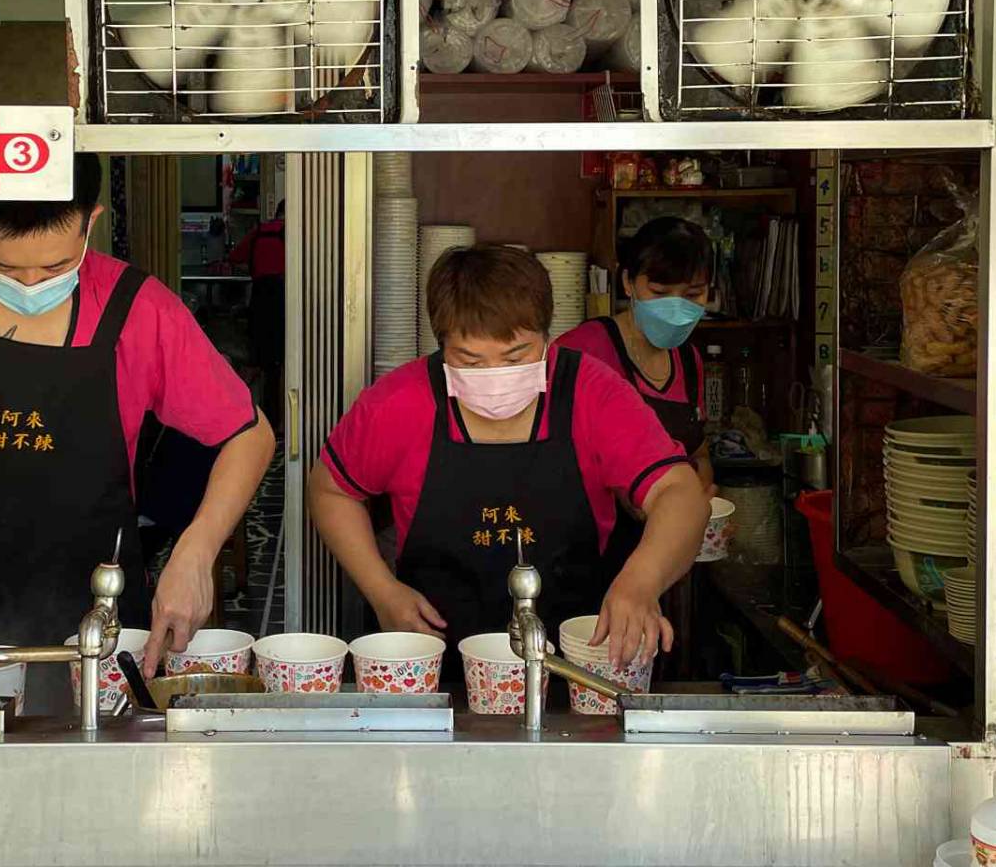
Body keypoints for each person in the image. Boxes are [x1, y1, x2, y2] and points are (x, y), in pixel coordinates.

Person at [0, 155, 275, 708]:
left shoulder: (139, 308)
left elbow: (249, 435)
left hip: (102, 631)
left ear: (90, 222)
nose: (28, 283)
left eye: (53, 269)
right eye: (3, 267)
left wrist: (197, 547)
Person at [307, 245, 709, 672]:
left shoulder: (592, 393)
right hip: (432, 656)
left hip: (581, 656)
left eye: (516, 356)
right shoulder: (400, 402)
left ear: (548, 337)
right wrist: (382, 590)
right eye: (470, 360)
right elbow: (331, 489)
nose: (494, 374)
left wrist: (641, 581)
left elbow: (679, 493)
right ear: (441, 343)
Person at [553, 217, 716, 588]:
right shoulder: (582, 353)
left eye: (693, 295)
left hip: (665, 561)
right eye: (659, 292)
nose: (676, 307)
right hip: (586, 558)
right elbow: (547, 461)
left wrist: (697, 497)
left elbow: (699, 452)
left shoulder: (689, 361)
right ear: (628, 282)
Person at [229, 201, 285, 431]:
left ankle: (242, 416)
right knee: (278, 364)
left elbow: (235, 258)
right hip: (283, 300)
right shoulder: (295, 235)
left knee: (258, 360)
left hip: (259, 300)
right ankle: (276, 423)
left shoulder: (258, 232)